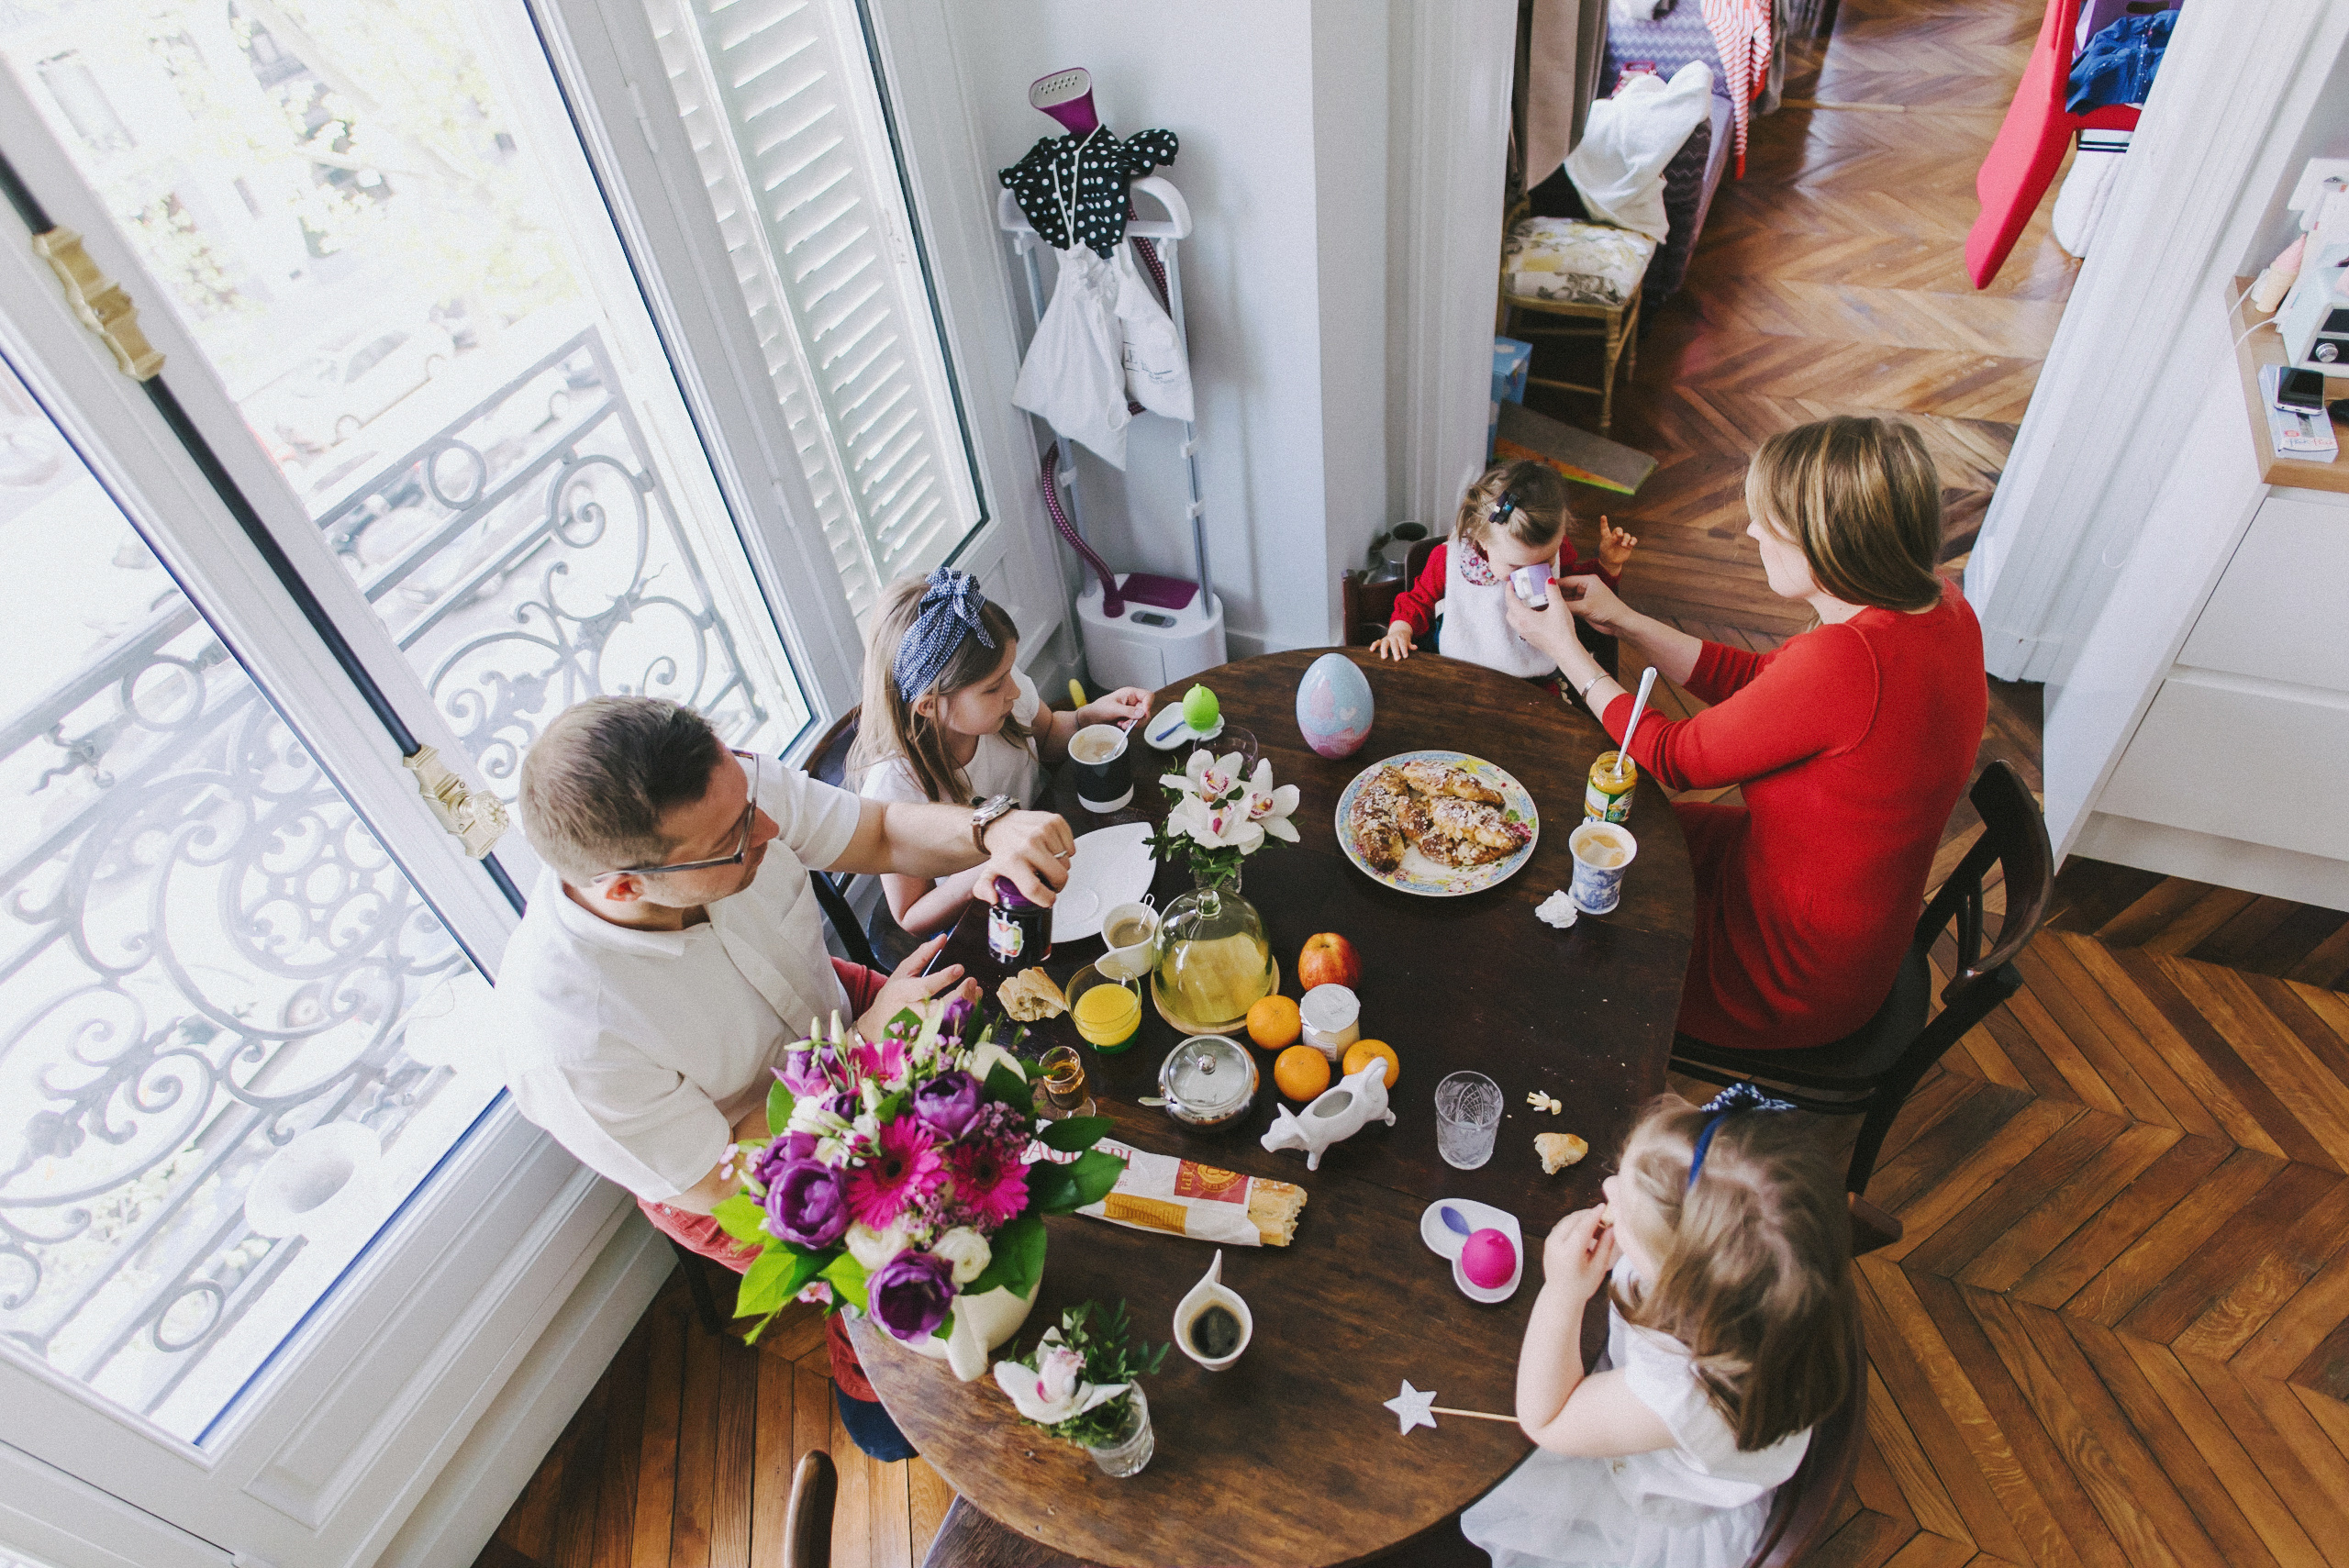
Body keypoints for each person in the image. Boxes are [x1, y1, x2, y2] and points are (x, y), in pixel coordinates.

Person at [495, 693, 1075, 1460]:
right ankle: (874, 1384)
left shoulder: (722, 795)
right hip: (749, 1160)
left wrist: (990, 828)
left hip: (834, 1013)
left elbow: (878, 831)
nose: (769, 827)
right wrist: (863, 1051)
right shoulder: (566, 1039)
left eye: (749, 796)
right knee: (899, 1263)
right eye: (735, 837)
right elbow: (717, 1173)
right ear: (625, 887)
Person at [1507, 416, 1987, 1051]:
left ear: (1826, 540)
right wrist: (1625, 620)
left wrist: (1567, 651)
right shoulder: (1944, 606)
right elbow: (1761, 683)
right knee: (1607, 840)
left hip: (1784, 970)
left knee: (1563, 927)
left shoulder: (1849, 661)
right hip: (1823, 908)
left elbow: (1671, 758)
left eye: (1770, 520)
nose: (1753, 530)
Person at [1463, 1086, 1855, 1568]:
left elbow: (1546, 1420)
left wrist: (1563, 1291)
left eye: (1626, 1208)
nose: (1609, 1190)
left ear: (1678, 1284)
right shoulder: (1781, 1272)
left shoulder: (1684, 1391)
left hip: (1660, 1493)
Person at [853, 568, 1152, 941]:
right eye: (994, 687)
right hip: (991, 911)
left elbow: (1047, 734)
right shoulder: (893, 790)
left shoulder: (1004, 697)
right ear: (929, 705)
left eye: (1009, 673)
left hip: (1056, 859)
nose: (1014, 691)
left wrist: (1085, 718)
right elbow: (911, 915)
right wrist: (993, 861)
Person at [1374, 459, 1637, 689]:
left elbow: (1581, 592)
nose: (1531, 573)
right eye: (1515, 567)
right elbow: (1418, 600)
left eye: (1545, 562)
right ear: (1482, 539)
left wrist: (1607, 565)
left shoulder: (1559, 550)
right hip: (1461, 669)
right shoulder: (1449, 559)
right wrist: (1400, 630)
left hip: (1535, 677)